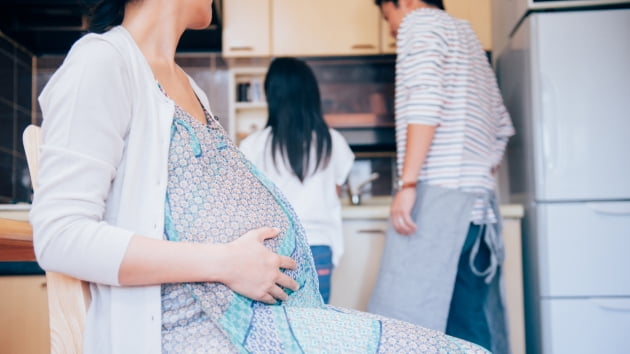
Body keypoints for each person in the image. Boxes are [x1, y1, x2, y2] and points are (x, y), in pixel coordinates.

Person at [30, 0, 489, 352]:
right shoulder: (101, 61)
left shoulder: (186, 85)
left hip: (265, 319)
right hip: (202, 332)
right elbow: (60, 235)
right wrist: (225, 264)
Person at [367, 0, 515, 353]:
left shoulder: (420, 25)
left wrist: (409, 184)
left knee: (405, 323)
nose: (391, 29)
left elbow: (425, 101)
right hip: (478, 210)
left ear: (404, 3)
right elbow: (502, 127)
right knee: (470, 326)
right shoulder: (467, 38)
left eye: (389, 16)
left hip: (437, 202)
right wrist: (475, 176)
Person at [239, 57, 354, 304]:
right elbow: (335, 190)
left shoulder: (253, 145)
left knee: (278, 327)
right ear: (312, 94)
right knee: (317, 326)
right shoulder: (333, 142)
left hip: (273, 251)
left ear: (272, 96)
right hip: (320, 247)